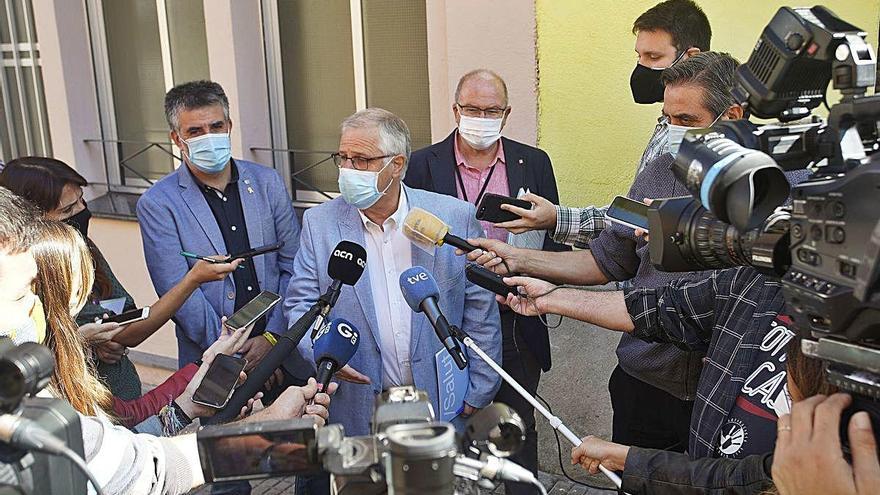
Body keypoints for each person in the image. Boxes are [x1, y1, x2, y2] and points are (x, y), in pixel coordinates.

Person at [468, 52, 783, 457]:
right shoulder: (661, 170)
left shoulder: (783, 189)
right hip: (645, 384)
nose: (673, 132)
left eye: (686, 121)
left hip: (731, 392)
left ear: (734, 114)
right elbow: (607, 261)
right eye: (668, 119)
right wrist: (519, 261)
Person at [0, 186, 333, 495]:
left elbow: (132, 449)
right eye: (20, 295)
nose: (32, 309)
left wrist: (189, 402)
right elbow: (152, 471)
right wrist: (274, 436)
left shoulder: (30, 401)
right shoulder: (32, 422)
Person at [284, 108, 502, 436]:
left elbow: (479, 310)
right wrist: (326, 357)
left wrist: (480, 388)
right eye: (342, 158)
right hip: (356, 406)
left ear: (396, 165)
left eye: (361, 160)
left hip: (441, 402)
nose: (347, 170)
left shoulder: (452, 217)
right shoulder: (320, 224)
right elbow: (300, 309)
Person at [404, 68, 569, 493]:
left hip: (514, 314)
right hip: (446, 322)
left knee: (514, 424)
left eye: (491, 110)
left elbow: (553, 241)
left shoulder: (533, 161)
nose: (481, 117)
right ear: (455, 110)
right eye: (472, 109)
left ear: (507, 113)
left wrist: (525, 270)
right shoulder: (422, 164)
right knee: (450, 427)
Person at [0, 157, 241, 403]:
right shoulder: (34, 277)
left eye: (82, 200)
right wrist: (192, 280)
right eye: (67, 210)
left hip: (124, 396)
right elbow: (127, 333)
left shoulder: (85, 248)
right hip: (91, 407)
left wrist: (108, 336)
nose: (82, 211)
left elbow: (127, 318)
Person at [496, 0, 712, 247]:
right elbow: (634, 215)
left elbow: (640, 226)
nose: (641, 67)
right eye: (639, 56)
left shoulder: (696, 135)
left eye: (653, 57)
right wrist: (555, 217)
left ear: (692, 57)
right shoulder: (666, 125)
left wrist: (556, 219)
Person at [137, 80, 301, 377]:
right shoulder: (158, 203)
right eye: (195, 132)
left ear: (229, 125)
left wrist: (272, 339)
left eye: (216, 126)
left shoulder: (268, 182)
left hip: (280, 350)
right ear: (177, 138)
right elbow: (178, 292)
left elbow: (294, 266)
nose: (208, 137)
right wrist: (231, 351)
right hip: (210, 360)